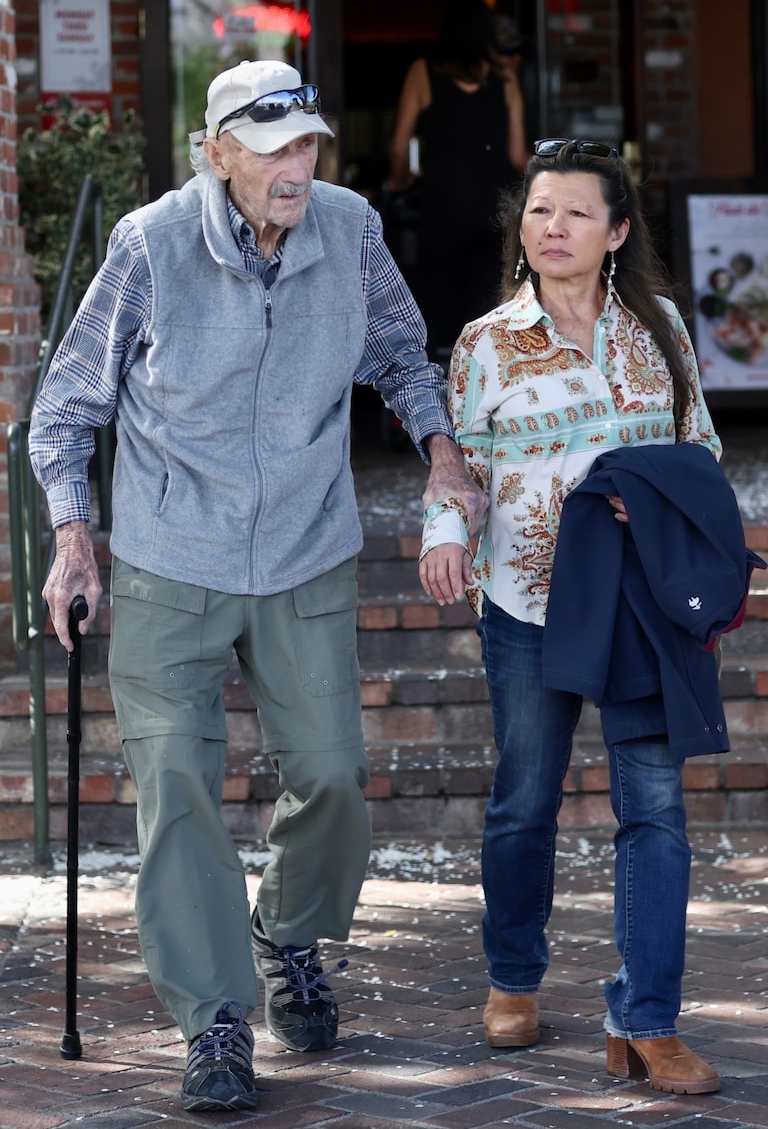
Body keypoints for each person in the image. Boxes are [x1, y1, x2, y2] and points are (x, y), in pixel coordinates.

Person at [28, 59, 486, 1114]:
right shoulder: (147, 247)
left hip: (302, 551)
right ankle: (215, 1023)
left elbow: (400, 356)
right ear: (216, 153)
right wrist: (73, 538)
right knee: (178, 792)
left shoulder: (351, 230)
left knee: (329, 777)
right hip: (169, 560)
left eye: (308, 143)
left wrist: (441, 450)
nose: (297, 165)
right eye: (272, 146)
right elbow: (67, 409)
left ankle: (285, 931)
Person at [418, 139, 737, 1095]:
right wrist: (443, 531)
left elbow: (702, 450)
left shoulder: (663, 329)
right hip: (527, 599)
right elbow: (462, 467)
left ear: (618, 232)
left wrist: (667, 505)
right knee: (526, 797)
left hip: (639, 608)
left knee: (656, 807)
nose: (553, 228)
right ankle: (513, 977)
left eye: (576, 214)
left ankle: (647, 1018)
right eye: (539, 211)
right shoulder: (483, 342)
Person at [386, 0, 528, 357]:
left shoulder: (423, 72)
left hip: (443, 205)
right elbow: (517, 156)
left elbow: (399, 145)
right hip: (494, 206)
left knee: (439, 311)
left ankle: (440, 394)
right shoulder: (505, 81)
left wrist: (399, 181)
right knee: (490, 309)